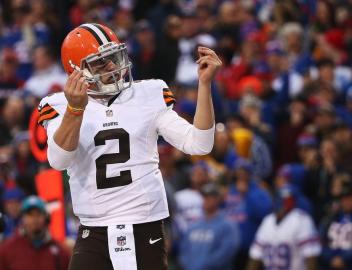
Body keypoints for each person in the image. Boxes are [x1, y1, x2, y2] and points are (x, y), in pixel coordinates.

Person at [37, 23, 221, 270]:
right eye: (100, 62)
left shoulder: (149, 93)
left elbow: (200, 144)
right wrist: (75, 109)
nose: (112, 66)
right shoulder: (58, 105)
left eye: (113, 57)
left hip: (145, 223)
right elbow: (58, 160)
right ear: (77, 72)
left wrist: (205, 86)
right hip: (94, 226)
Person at [247, 185, 321, 270]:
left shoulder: (302, 220)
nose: (283, 205)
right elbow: (255, 256)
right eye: (282, 200)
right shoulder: (268, 221)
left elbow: (311, 256)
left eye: (288, 200)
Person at [179, 182, 239, 270]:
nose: (205, 200)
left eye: (209, 197)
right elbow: (184, 251)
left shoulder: (228, 226)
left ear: (218, 199)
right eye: (204, 197)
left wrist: (201, 266)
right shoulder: (193, 226)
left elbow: (225, 253)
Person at [0, 196, 71, 270]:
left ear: (46, 218)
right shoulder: (7, 249)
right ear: (22, 218)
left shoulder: (59, 252)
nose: (34, 219)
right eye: (30, 215)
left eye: (38, 214)